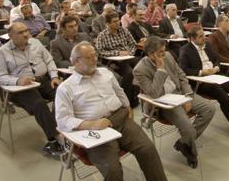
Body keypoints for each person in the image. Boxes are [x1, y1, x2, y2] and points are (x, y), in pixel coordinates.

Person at [55, 42, 167, 181]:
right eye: (89, 57)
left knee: (148, 149)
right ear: (76, 61)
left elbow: (119, 92)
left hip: (120, 119)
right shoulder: (66, 88)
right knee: (112, 170)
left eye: (95, 55)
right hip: (95, 130)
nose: (95, 59)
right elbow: (62, 120)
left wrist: (127, 106)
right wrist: (92, 124)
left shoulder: (105, 73)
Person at [133, 36, 215, 168]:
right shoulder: (140, 69)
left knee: (209, 108)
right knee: (188, 129)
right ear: (150, 54)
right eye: (160, 52)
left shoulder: (168, 56)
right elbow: (154, 93)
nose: (164, 54)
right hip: (164, 102)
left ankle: (183, 142)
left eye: (164, 50)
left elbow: (181, 75)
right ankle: (191, 153)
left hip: (180, 93)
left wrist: (187, 95)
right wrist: (160, 70)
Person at [0, 21, 64, 159]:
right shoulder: (2, 52)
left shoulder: (36, 43)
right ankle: (55, 139)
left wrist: (54, 76)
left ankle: (59, 127)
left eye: (26, 31)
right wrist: (17, 81)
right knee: (39, 104)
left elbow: (49, 60)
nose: (26, 34)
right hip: (21, 87)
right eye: (20, 32)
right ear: (10, 36)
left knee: (63, 93)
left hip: (43, 80)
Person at [179, 26, 229, 138]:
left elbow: (216, 59)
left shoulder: (207, 45)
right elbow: (183, 70)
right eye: (200, 36)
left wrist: (216, 67)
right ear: (192, 38)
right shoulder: (185, 50)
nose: (204, 38)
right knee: (224, 96)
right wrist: (202, 72)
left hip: (215, 75)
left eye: (204, 35)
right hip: (201, 81)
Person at [95, 12, 141, 107]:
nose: (118, 23)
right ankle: (127, 100)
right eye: (114, 21)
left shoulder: (124, 30)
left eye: (118, 20)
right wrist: (118, 53)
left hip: (128, 57)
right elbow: (99, 51)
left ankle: (137, 95)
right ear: (107, 23)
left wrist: (130, 52)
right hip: (114, 61)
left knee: (142, 65)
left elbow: (133, 44)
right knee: (129, 73)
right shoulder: (102, 35)